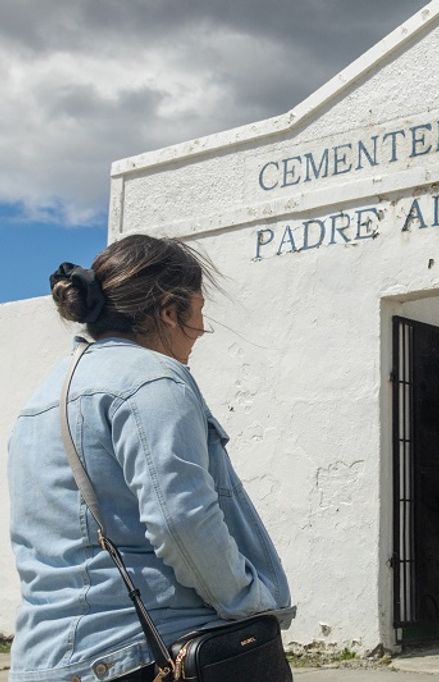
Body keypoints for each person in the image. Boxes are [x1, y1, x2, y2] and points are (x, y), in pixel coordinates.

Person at [7, 235, 293, 682]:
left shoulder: (41, 400)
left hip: (46, 660)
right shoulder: (155, 380)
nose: (200, 330)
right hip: (148, 654)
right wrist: (252, 601)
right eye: (198, 312)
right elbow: (182, 521)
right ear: (169, 310)